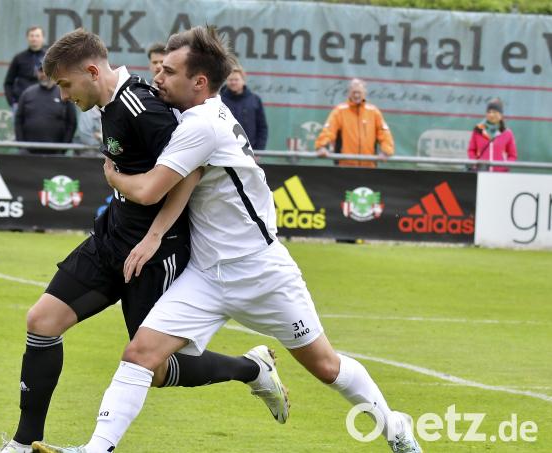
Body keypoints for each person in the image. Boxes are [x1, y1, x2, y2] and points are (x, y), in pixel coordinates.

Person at [33, 26, 421, 453]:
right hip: (205, 273)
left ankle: (394, 426)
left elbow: (147, 190)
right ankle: (96, 449)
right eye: (160, 69)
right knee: (141, 353)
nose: (158, 77)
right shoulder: (191, 115)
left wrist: (113, 175)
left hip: (260, 272)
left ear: (199, 83)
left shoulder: (201, 126)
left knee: (326, 367)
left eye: (170, 72)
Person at [0, 29, 284, 453]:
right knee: (41, 322)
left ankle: (251, 368)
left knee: (151, 366)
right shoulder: (109, 103)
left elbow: (191, 170)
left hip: (155, 253)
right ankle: (24, 444)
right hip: (111, 240)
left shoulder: (142, 108)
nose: (62, 96)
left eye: (65, 85)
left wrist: (152, 236)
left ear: (92, 72)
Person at [314, 78, 394, 167]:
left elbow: (383, 132)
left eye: (359, 92)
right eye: (354, 92)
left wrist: (386, 151)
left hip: (369, 166)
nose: (356, 95)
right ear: (349, 93)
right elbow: (328, 131)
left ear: (365, 93)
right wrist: (321, 147)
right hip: (344, 166)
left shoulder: (374, 112)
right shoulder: (340, 111)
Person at [14, 64, 77, 155]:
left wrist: (63, 148)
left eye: (46, 71)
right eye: (40, 71)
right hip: (29, 153)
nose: (43, 74)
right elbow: (18, 120)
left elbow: (72, 123)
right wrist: (21, 146)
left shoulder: (64, 94)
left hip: (56, 154)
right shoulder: (27, 93)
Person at [219, 65, 267, 150]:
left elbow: (262, 128)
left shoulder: (255, 100)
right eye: (230, 80)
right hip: (224, 151)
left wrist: (259, 151)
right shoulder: (219, 101)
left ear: (243, 81)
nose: (233, 82)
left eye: (236, 80)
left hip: (248, 152)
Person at [4, 26, 46, 116]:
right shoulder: (19, 58)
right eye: (32, 36)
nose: (34, 38)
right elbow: (8, 83)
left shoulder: (49, 58)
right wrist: (12, 102)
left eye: (37, 36)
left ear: (43, 38)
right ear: (27, 38)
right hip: (21, 104)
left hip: (43, 104)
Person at [467, 98, 517, 172]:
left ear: (500, 114)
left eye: (494, 112)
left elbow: (512, 155)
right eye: (489, 112)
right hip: (481, 173)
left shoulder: (507, 132)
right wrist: (475, 164)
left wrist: (505, 167)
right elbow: (471, 150)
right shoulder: (478, 129)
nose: (491, 114)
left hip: (500, 174)